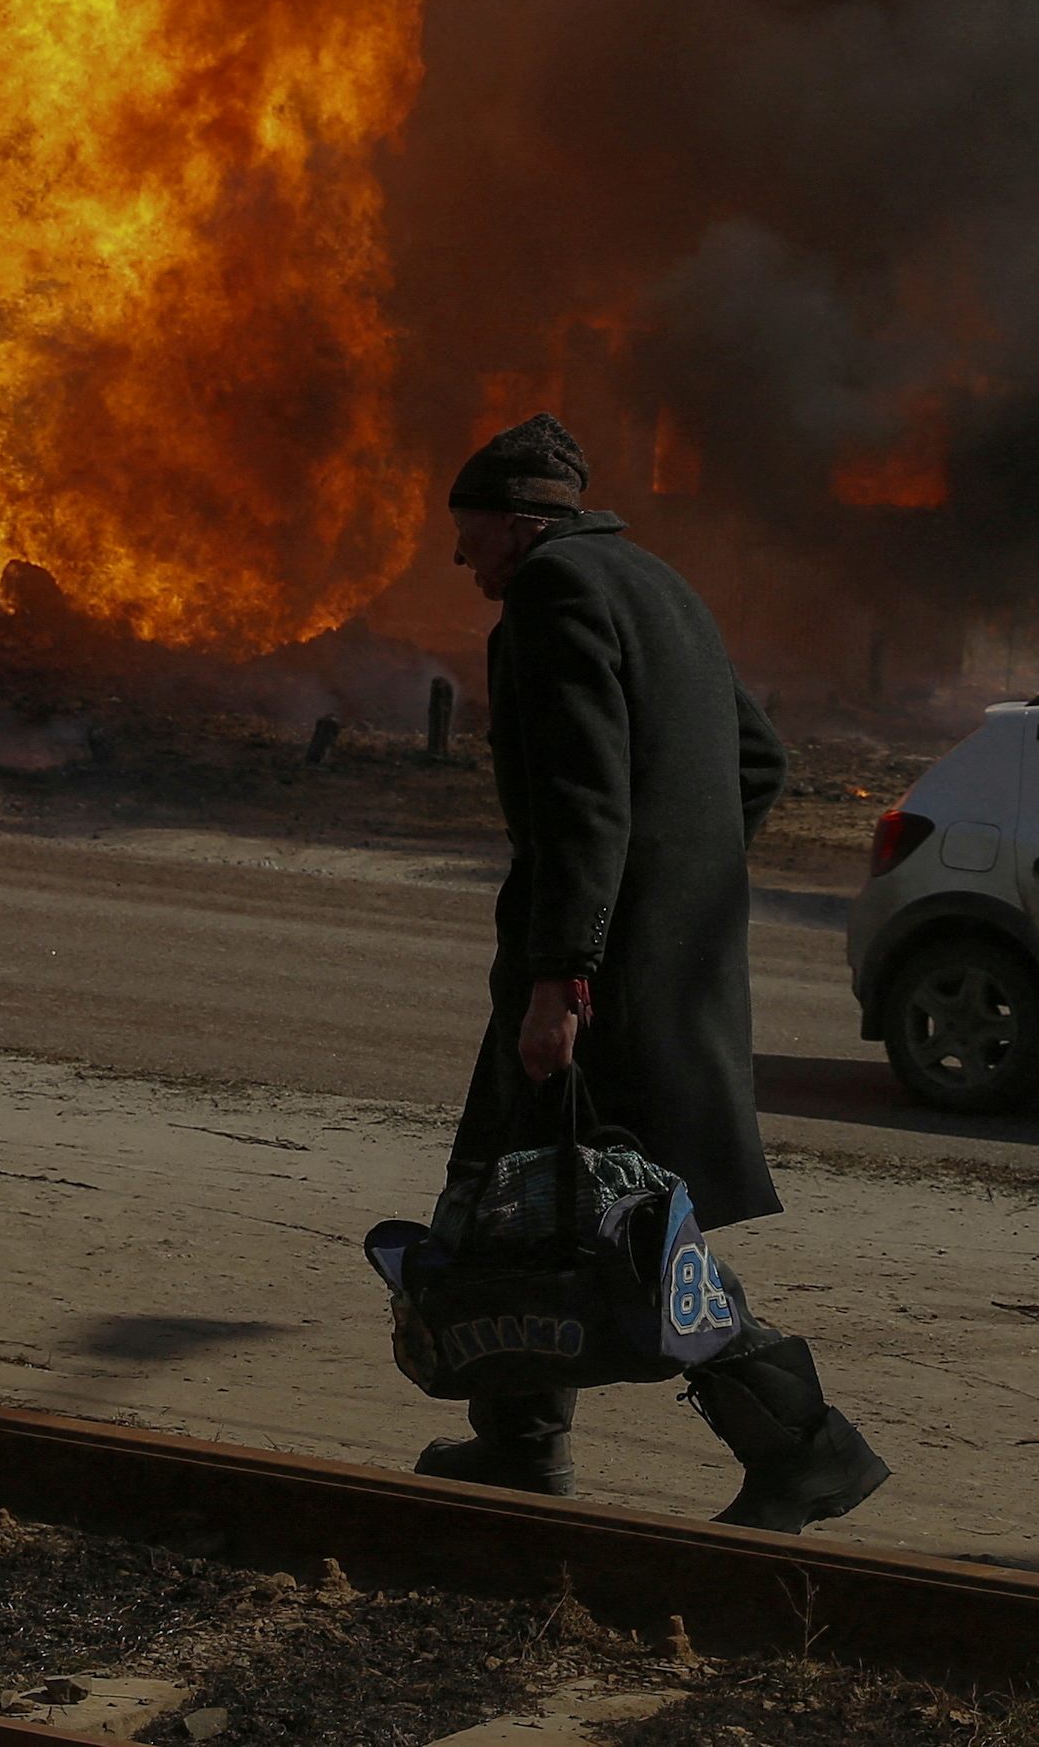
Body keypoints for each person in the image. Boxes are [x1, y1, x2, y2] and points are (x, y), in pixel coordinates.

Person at [420, 412, 891, 1533]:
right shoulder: (659, 585)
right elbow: (757, 761)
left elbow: (585, 804)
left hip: (596, 978)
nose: (459, 559)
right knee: (523, 1200)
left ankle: (805, 1446)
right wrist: (685, 880)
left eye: (468, 532)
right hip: (663, 965)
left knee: (617, 1224)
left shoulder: (553, 592)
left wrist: (563, 979)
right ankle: (518, 1443)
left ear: (518, 524)